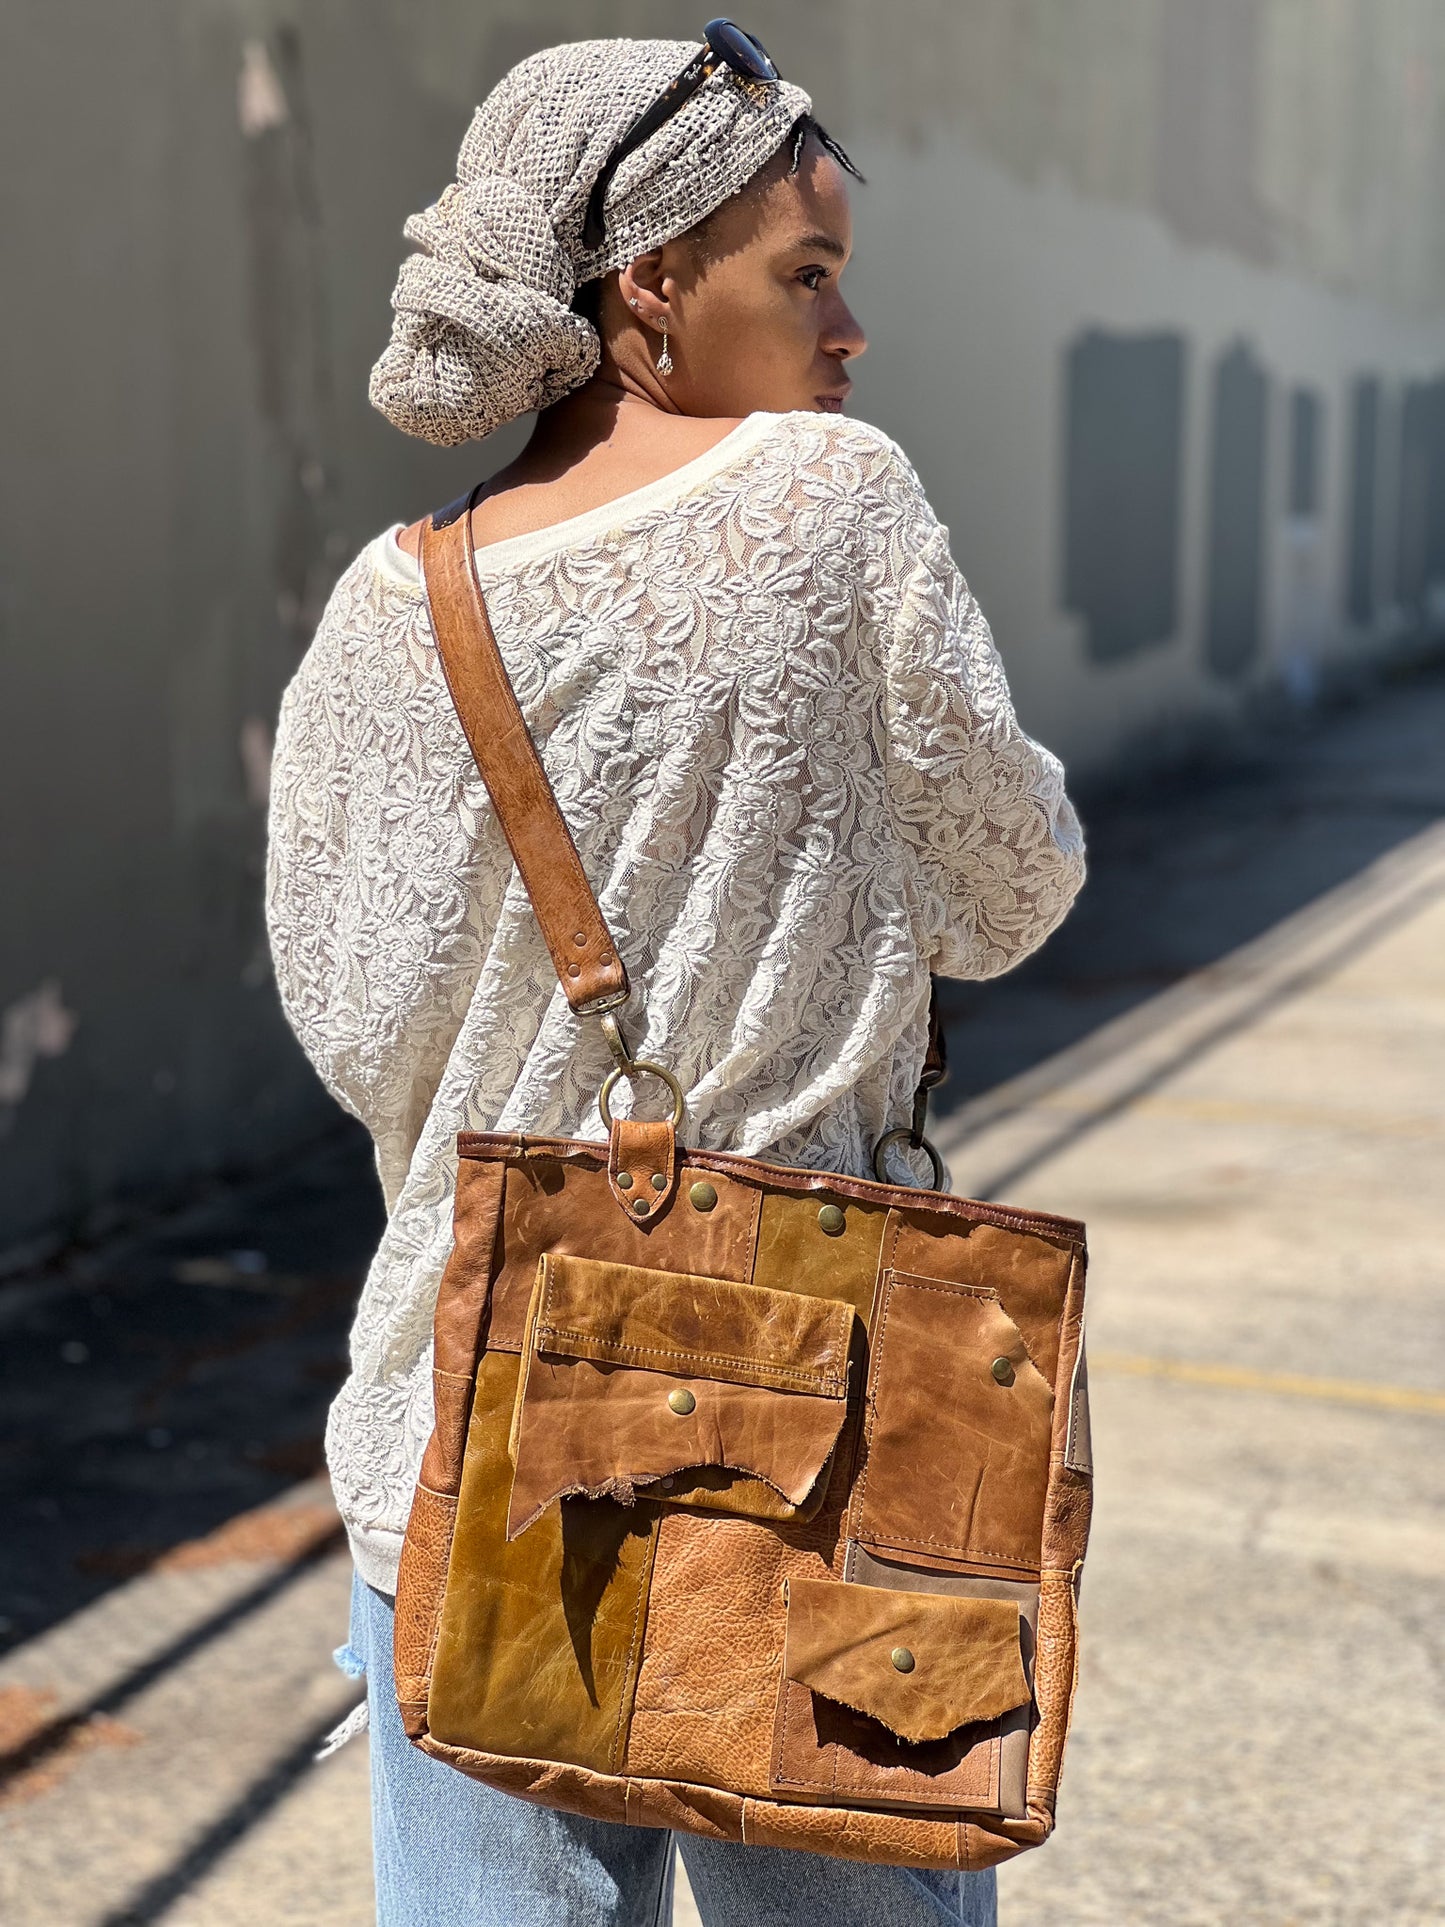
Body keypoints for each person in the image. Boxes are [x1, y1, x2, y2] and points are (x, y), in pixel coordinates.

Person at [266, 25, 1084, 1927]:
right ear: (647, 280)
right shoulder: (830, 499)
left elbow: (356, 1025)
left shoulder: (392, 602)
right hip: (830, 1442)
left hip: (476, 1418)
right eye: (804, 274)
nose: (847, 330)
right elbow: (1009, 891)